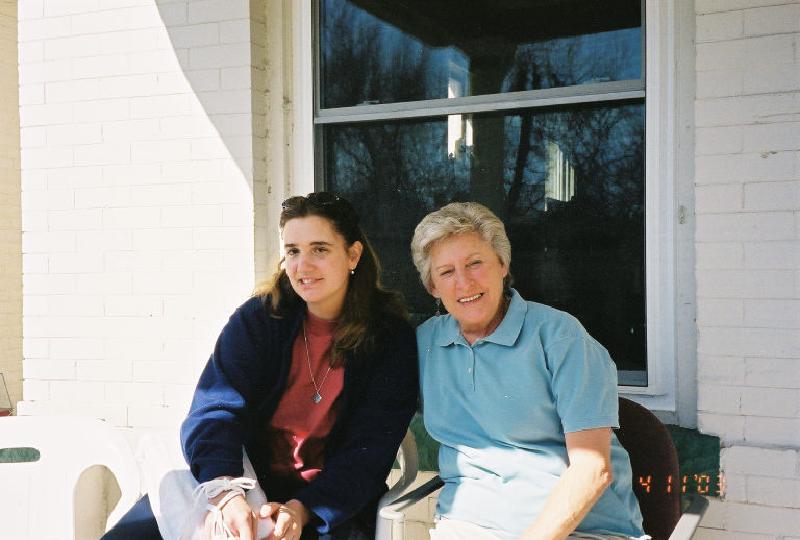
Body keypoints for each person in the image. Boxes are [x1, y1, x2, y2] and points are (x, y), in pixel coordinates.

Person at [104, 192, 418, 540]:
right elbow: (214, 411)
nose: (303, 265)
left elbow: (368, 452)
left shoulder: (389, 339)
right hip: (240, 481)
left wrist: (302, 510)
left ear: (353, 255)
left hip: (326, 502)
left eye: (320, 249)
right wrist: (226, 493)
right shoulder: (259, 319)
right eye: (293, 251)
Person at [410, 202, 647, 540]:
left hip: (578, 531)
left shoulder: (558, 336)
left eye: (475, 263)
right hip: (467, 526)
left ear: (503, 265)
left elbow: (592, 469)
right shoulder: (425, 344)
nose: (464, 282)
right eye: (446, 272)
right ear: (432, 286)